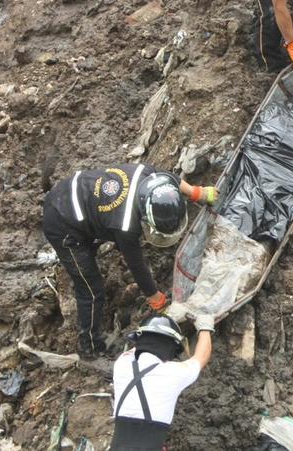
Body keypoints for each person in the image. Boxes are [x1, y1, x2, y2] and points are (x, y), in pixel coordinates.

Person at [42, 164, 218, 358]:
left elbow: (170, 177)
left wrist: (196, 193)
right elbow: (136, 265)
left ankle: (92, 235)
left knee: (100, 233)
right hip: (61, 221)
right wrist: (156, 299)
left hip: (77, 193)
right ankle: (89, 348)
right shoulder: (125, 225)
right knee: (91, 290)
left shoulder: (150, 177)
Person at [110, 314, 214, 451]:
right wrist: (205, 328)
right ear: (170, 349)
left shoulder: (121, 364)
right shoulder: (174, 373)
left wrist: (159, 326)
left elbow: (138, 347)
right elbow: (202, 356)